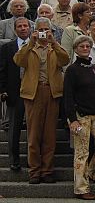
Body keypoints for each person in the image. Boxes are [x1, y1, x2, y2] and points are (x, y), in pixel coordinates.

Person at [13, 17, 69, 184]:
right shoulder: (29, 48)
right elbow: (18, 61)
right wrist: (31, 41)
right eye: (41, 29)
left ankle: (47, 170)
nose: (44, 33)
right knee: (34, 134)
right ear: (35, 30)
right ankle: (34, 171)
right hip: (33, 93)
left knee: (50, 135)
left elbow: (65, 60)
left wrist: (54, 43)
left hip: (52, 92)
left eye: (47, 29)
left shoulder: (55, 48)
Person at [63, 35, 95, 200]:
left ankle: (94, 173)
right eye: (81, 46)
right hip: (81, 116)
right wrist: (72, 119)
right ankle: (81, 188)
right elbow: (68, 97)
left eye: (87, 46)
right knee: (82, 152)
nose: (85, 48)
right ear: (76, 49)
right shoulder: (72, 70)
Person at [0, 17, 31, 171]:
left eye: (25, 25)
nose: (23, 28)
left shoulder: (36, 45)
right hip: (15, 92)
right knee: (14, 128)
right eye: (20, 26)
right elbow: (2, 70)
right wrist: (3, 90)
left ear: (30, 28)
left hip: (33, 92)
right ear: (15, 29)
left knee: (33, 129)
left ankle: (33, 160)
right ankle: (14, 160)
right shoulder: (8, 48)